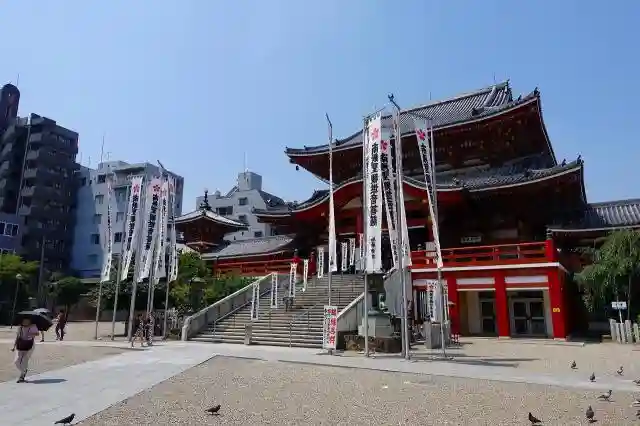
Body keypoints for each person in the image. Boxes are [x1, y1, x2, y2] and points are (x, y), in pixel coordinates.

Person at [12, 317, 39, 383]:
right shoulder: (20, 327)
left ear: (30, 321)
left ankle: (22, 376)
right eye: (24, 320)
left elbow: (37, 333)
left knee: (24, 360)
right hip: (20, 345)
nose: (25, 322)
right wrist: (14, 346)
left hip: (29, 345)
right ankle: (24, 371)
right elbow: (17, 337)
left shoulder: (33, 326)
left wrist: (31, 333)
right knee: (16, 361)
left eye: (27, 320)